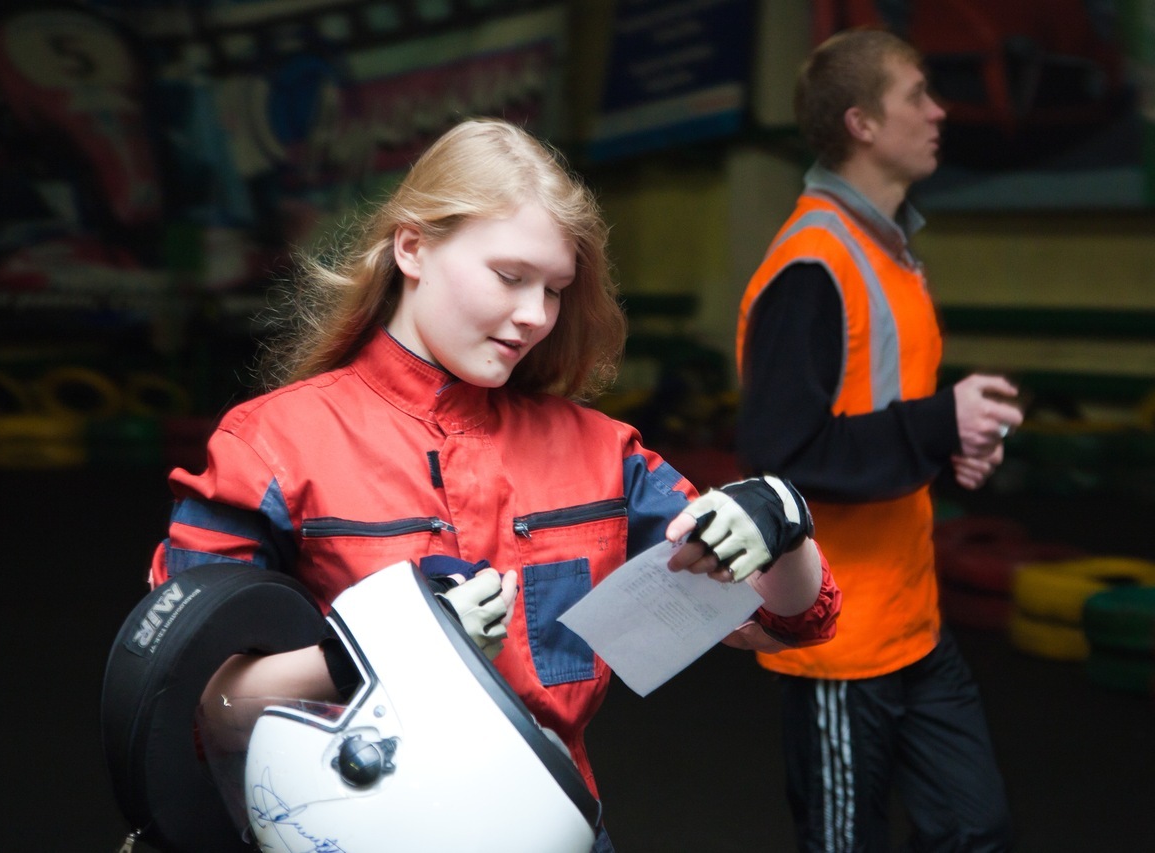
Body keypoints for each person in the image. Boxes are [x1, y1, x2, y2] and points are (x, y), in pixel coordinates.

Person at [147, 117, 841, 851]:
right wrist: (384, 652)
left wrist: (782, 522)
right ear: (412, 248)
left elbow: (779, 623)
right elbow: (199, 699)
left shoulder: (603, 454)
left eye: (555, 289)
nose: (535, 316)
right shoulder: (270, 447)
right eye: (510, 277)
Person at [734, 28, 1021, 853]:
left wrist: (951, 443)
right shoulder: (812, 264)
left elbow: (879, 414)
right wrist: (936, 422)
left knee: (974, 826)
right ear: (861, 123)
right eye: (917, 96)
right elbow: (781, 457)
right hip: (840, 637)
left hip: (912, 618)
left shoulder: (890, 253)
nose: (939, 111)